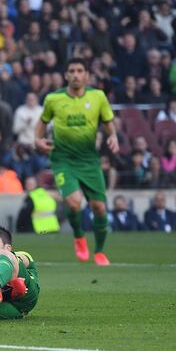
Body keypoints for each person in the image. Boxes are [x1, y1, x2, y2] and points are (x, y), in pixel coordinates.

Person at [35, 58, 119, 265]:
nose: (75, 74)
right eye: (71, 70)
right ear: (66, 75)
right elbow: (42, 122)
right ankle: (79, 236)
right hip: (63, 159)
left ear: (87, 75)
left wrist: (113, 135)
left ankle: (99, 251)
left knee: (99, 207)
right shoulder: (53, 99)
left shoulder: (98, 96)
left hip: (89, 160)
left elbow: (107, 121)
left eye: (80, 70)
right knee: (74, 203)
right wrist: (38, 140)